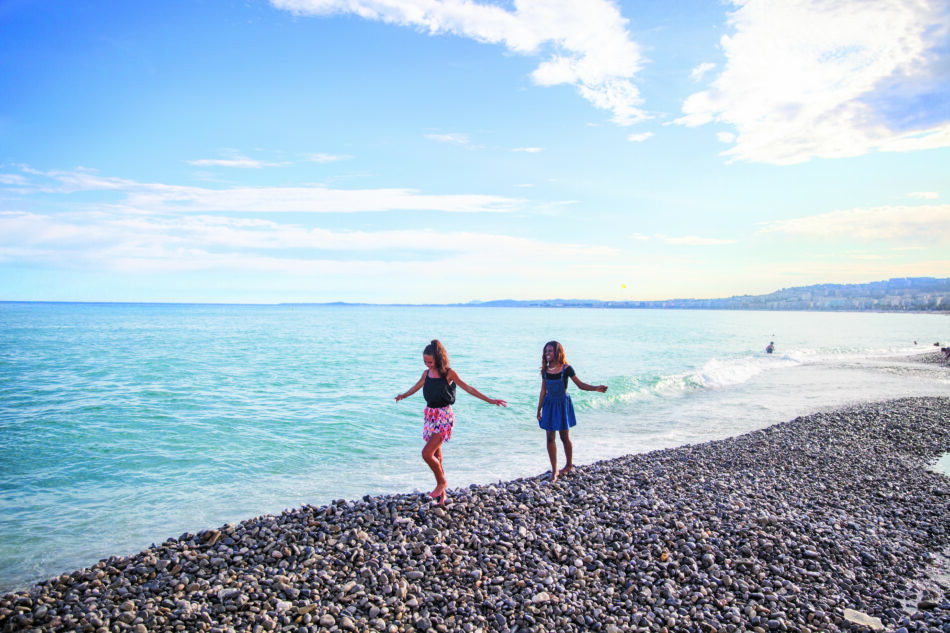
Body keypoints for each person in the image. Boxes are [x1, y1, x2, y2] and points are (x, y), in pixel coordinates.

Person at [395, 339, 506, 504]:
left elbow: (468, 388)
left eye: (430, 362)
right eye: (425, 362)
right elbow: (416, 387)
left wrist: (489, 400)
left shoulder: (449, 373)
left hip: (444, 417)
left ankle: (441, 482)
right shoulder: (426, 374)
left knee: (427, 454)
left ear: (439, 359)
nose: (427, 365)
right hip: (430, 416)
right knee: (437, 456)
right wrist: (403, 395)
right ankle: (442, 493)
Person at [536, 340, 607, 482]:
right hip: (549, 404)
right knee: (550, 437)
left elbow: (580, 385)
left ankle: (568, 466)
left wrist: (595, 388)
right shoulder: (545, 370)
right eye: (546, 351)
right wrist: (539, 409)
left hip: (562, 404)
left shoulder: (566, 369)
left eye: (550, 351)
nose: (547, 353)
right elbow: (543, 390)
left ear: (557, 352)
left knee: (564, 437)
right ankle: (554, 470)